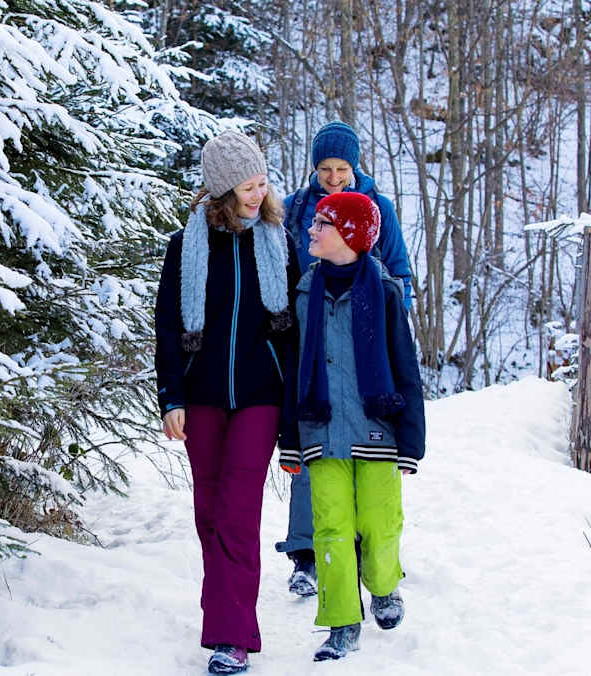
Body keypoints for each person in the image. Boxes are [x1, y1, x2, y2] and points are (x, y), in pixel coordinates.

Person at [154, 130, 300, 675]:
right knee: (209, 513)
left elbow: (293, 329)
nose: (258, 193)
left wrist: (296, 399)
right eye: (247, 185)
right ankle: (226, 616)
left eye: (262, 182)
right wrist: (171, 395)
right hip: (203, 395)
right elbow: (168, 327)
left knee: (238, 511)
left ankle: (231, 637)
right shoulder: (186, 246)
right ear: (220, 188)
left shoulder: (278, 242)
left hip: (262, 396)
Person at [277, 191, 425, 660]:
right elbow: (295, 370)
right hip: (321, 430)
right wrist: (291, 439)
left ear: (351, 235)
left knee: (380, 524)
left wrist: (411, 440)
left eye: (322, 224)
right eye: (314, 222)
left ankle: (383, 587)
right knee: (331, 530)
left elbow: (406, 366)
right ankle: (342, 622)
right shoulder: (304, 294)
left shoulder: (383, 291)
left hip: (376, 428)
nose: (311, 230)